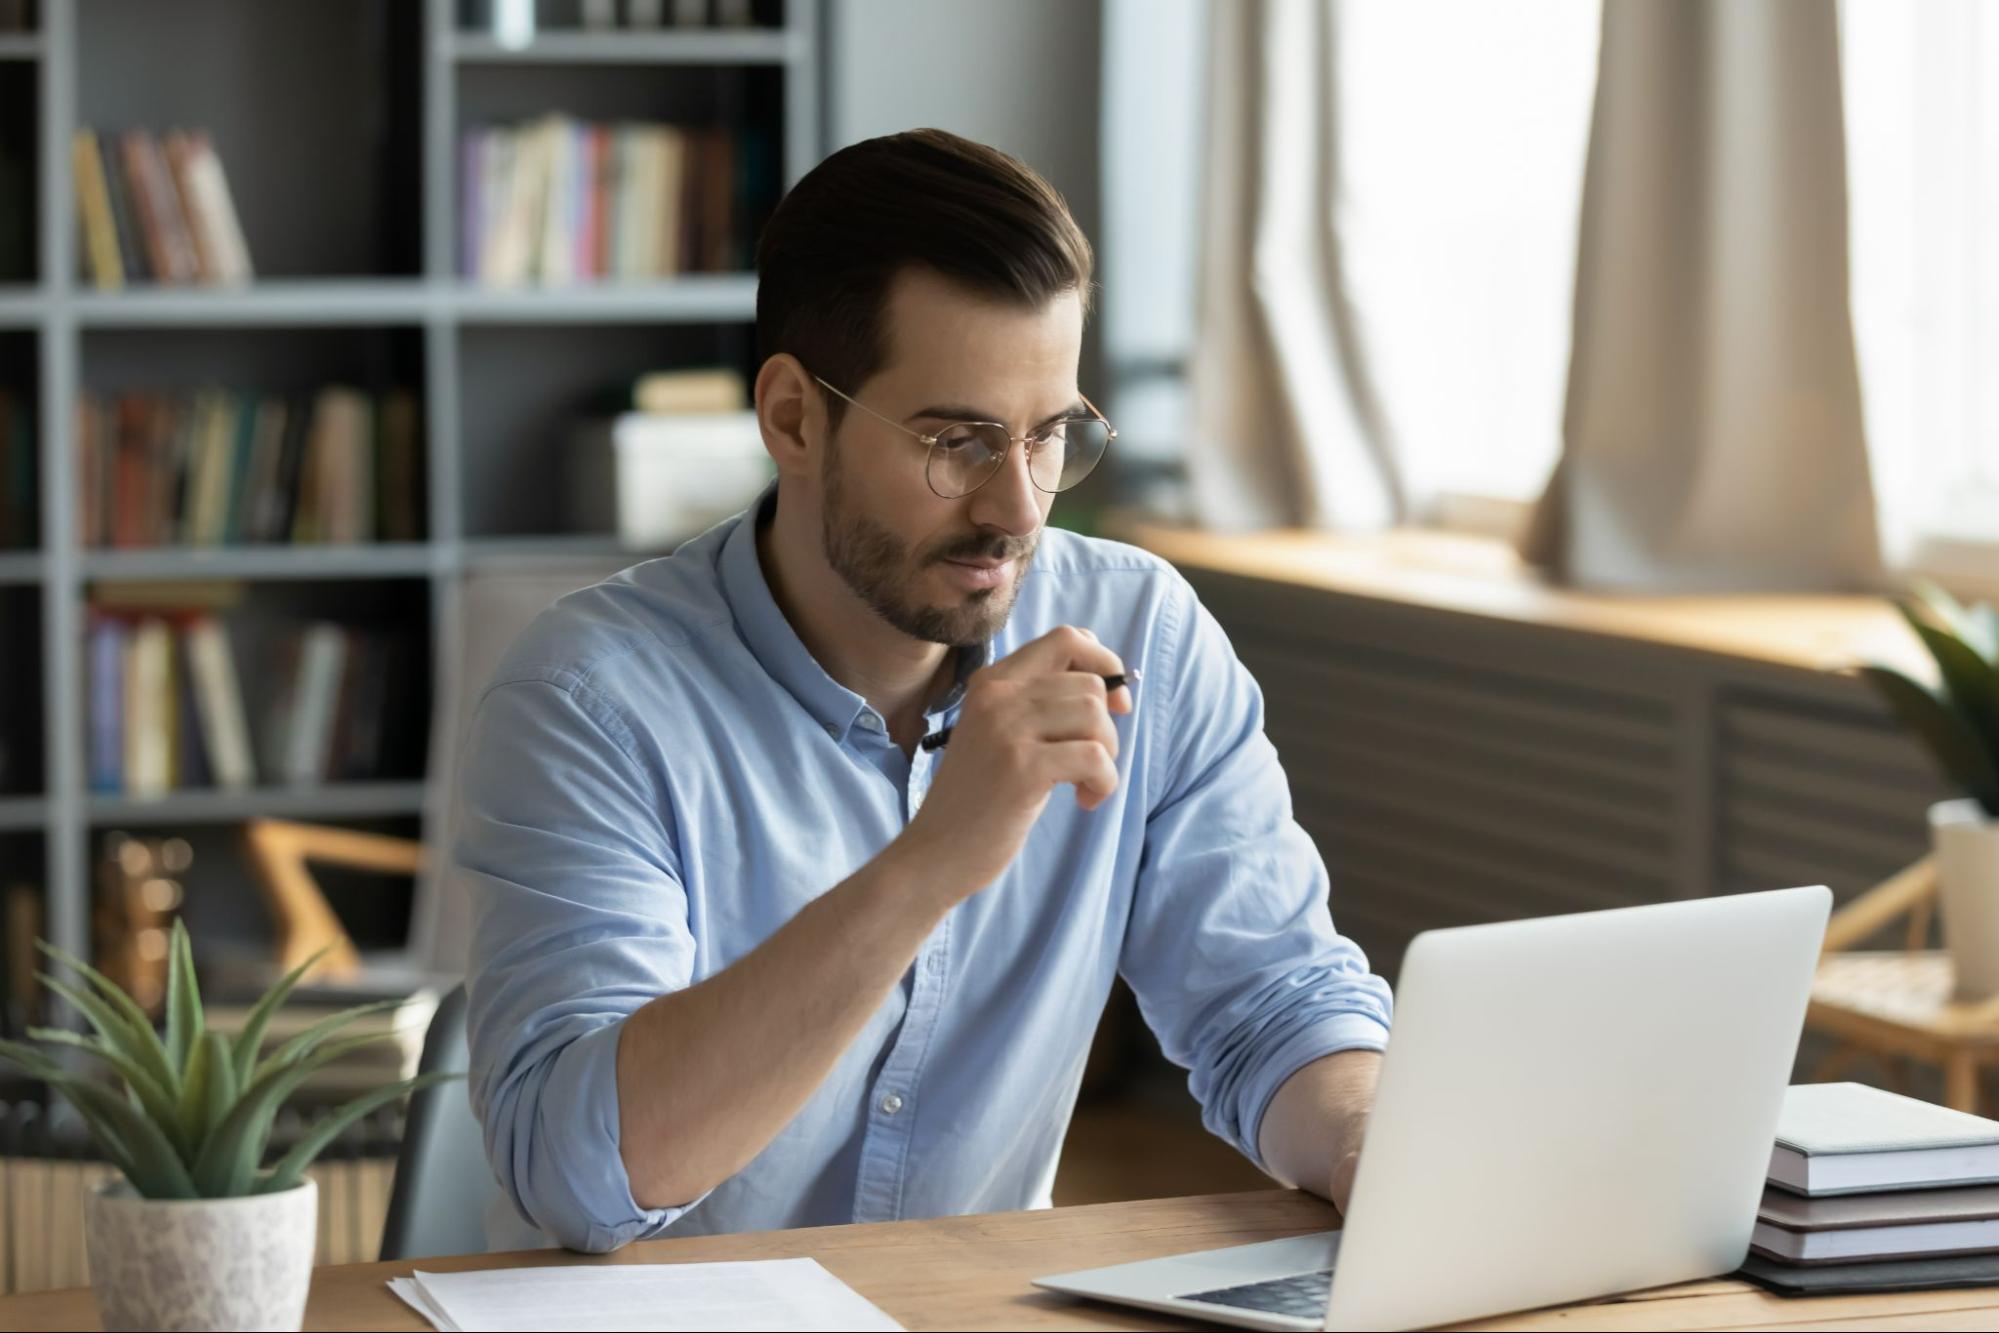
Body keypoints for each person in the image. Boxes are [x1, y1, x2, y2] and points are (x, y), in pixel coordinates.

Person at [457, 128, 1392, 1254]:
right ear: (794, 418)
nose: (1018, 508)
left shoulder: (1143, 630)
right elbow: (585, 1174)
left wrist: (1364, 1141)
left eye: (1049, 436)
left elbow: (1271, 1003)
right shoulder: (590, 698)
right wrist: (937, 856)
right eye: (958, 441)